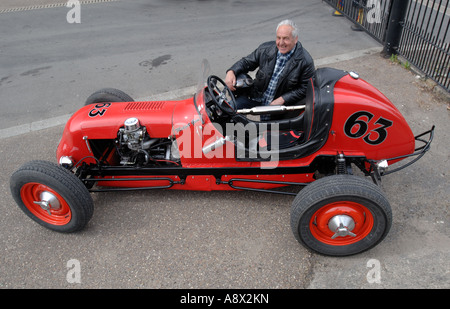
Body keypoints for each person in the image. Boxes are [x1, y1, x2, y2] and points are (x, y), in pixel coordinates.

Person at [225, 19, 315, 120]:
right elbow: (246, 62)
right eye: (278, 38)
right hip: (256, 96)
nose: (281, 43)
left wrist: (283, 99)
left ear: (295, 39)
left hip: (277, 107)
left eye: (286, 38)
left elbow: (306, 88)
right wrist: (231, 71)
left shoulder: (305, 61)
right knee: (227, 109)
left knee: (268, 134)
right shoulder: (265, 49)